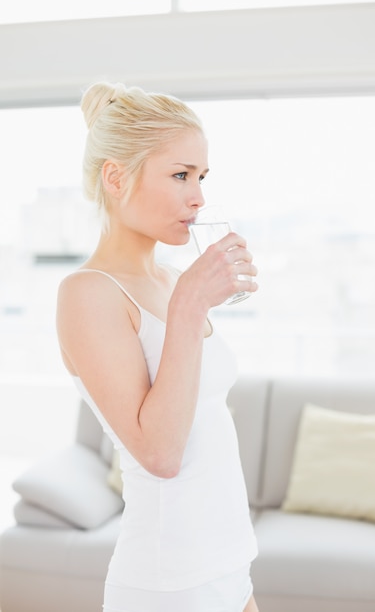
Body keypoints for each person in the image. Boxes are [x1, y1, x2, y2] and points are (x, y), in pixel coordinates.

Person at [56, 80, 259, 612]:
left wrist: (190, 295)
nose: (198, 196)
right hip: (170, 584)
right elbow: (160, 453)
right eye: (179, 175)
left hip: (232, 564)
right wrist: (192, 305)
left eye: (201, 177)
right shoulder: (88, 294)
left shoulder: (171, 279)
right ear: (116, 177)